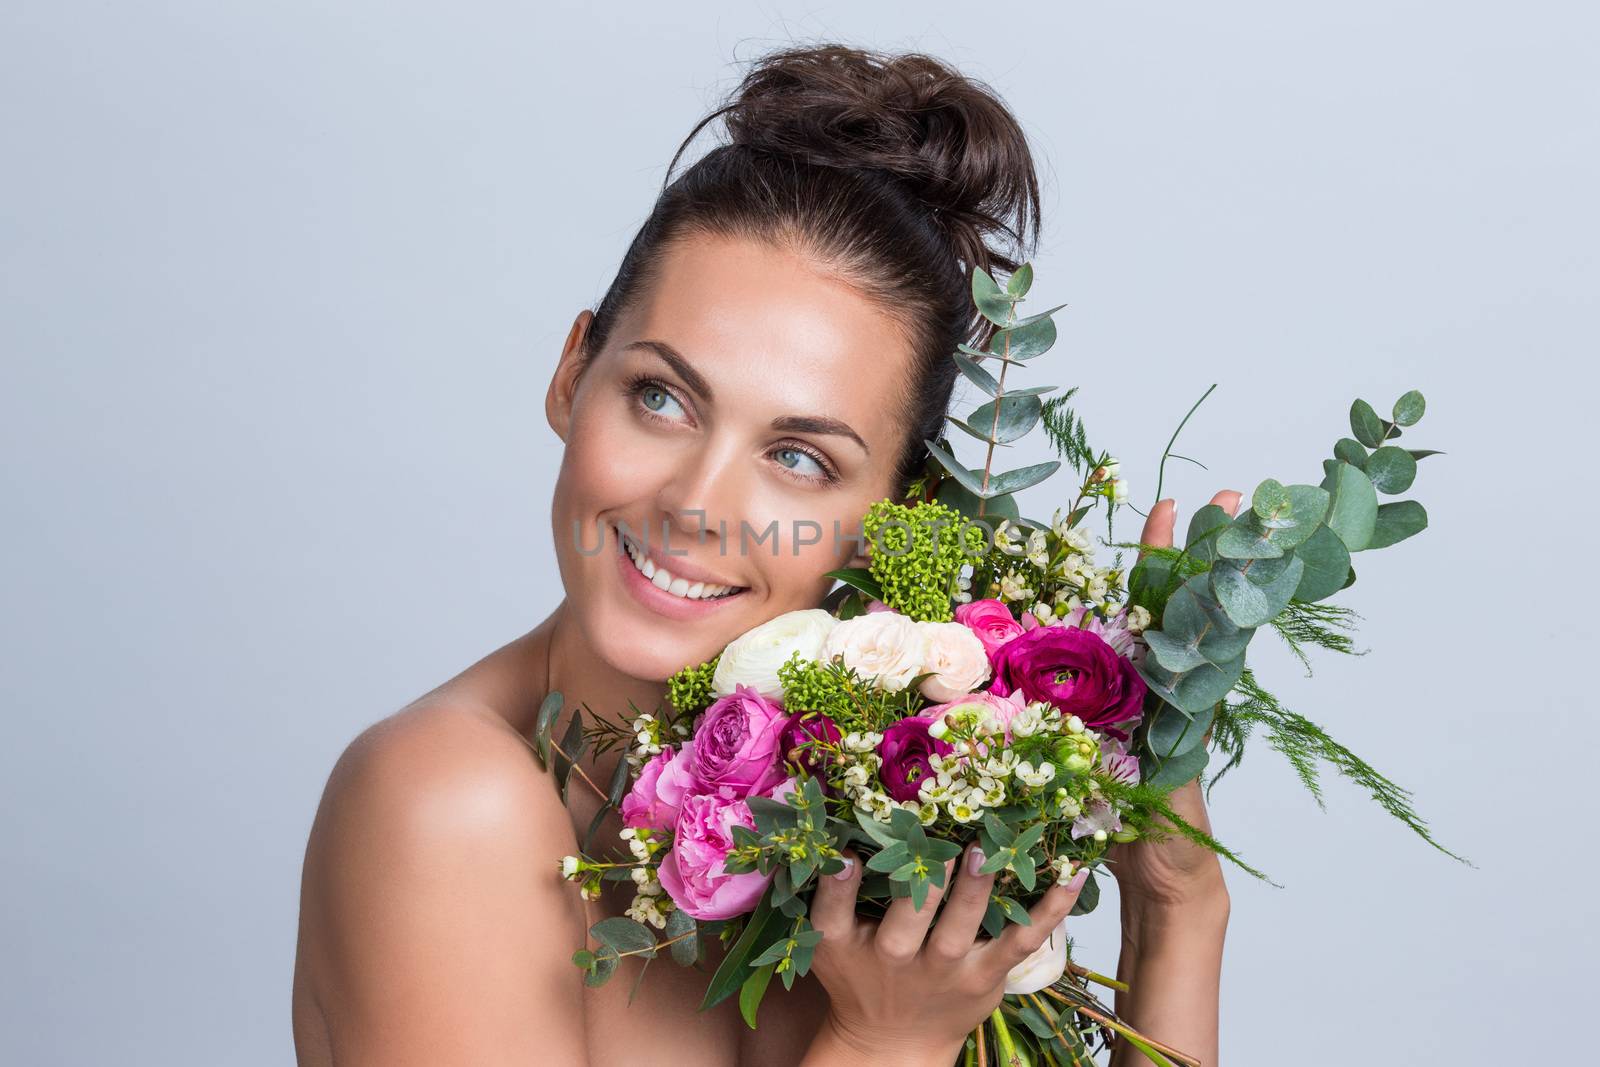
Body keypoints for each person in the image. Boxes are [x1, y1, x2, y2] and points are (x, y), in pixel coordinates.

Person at [292, 43, 1231, 1066]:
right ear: (573, 373)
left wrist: (1175, 903)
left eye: (795, 456)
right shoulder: (443, 802)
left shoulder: (872, 811)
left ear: (898, 511)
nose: (697, 504)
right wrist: (884, 1042)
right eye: (660, 397)